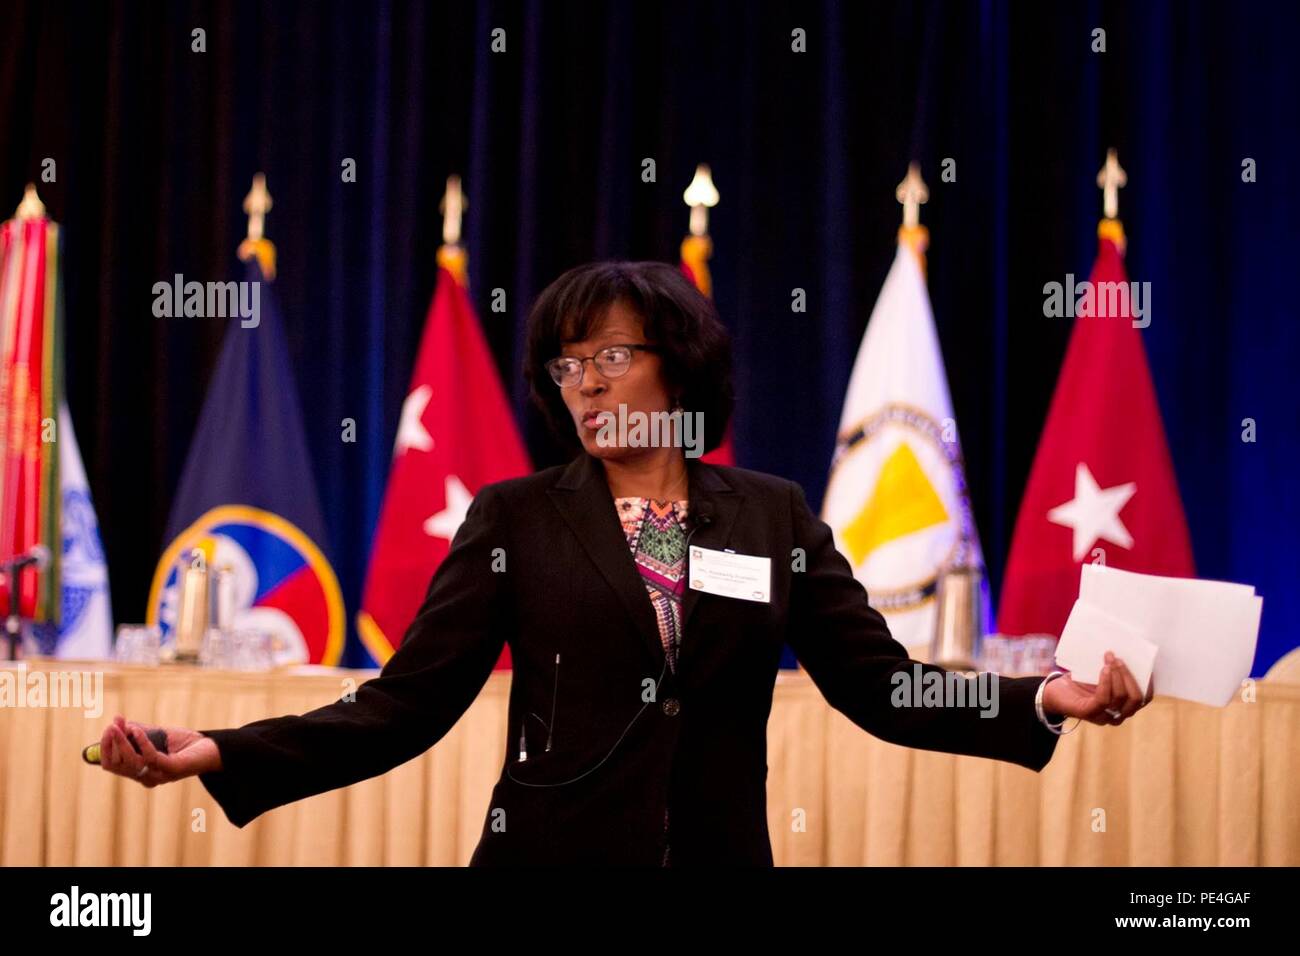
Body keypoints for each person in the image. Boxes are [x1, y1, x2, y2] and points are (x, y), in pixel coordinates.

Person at [97, 261, 1151, 865]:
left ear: (678, 365)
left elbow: (883, 689)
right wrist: (222, 751)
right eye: (566, 365)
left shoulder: (771, 513)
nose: (584, 384)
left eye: (610, 356)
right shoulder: (516, 516)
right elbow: (402, 706)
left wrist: (1044, 697)